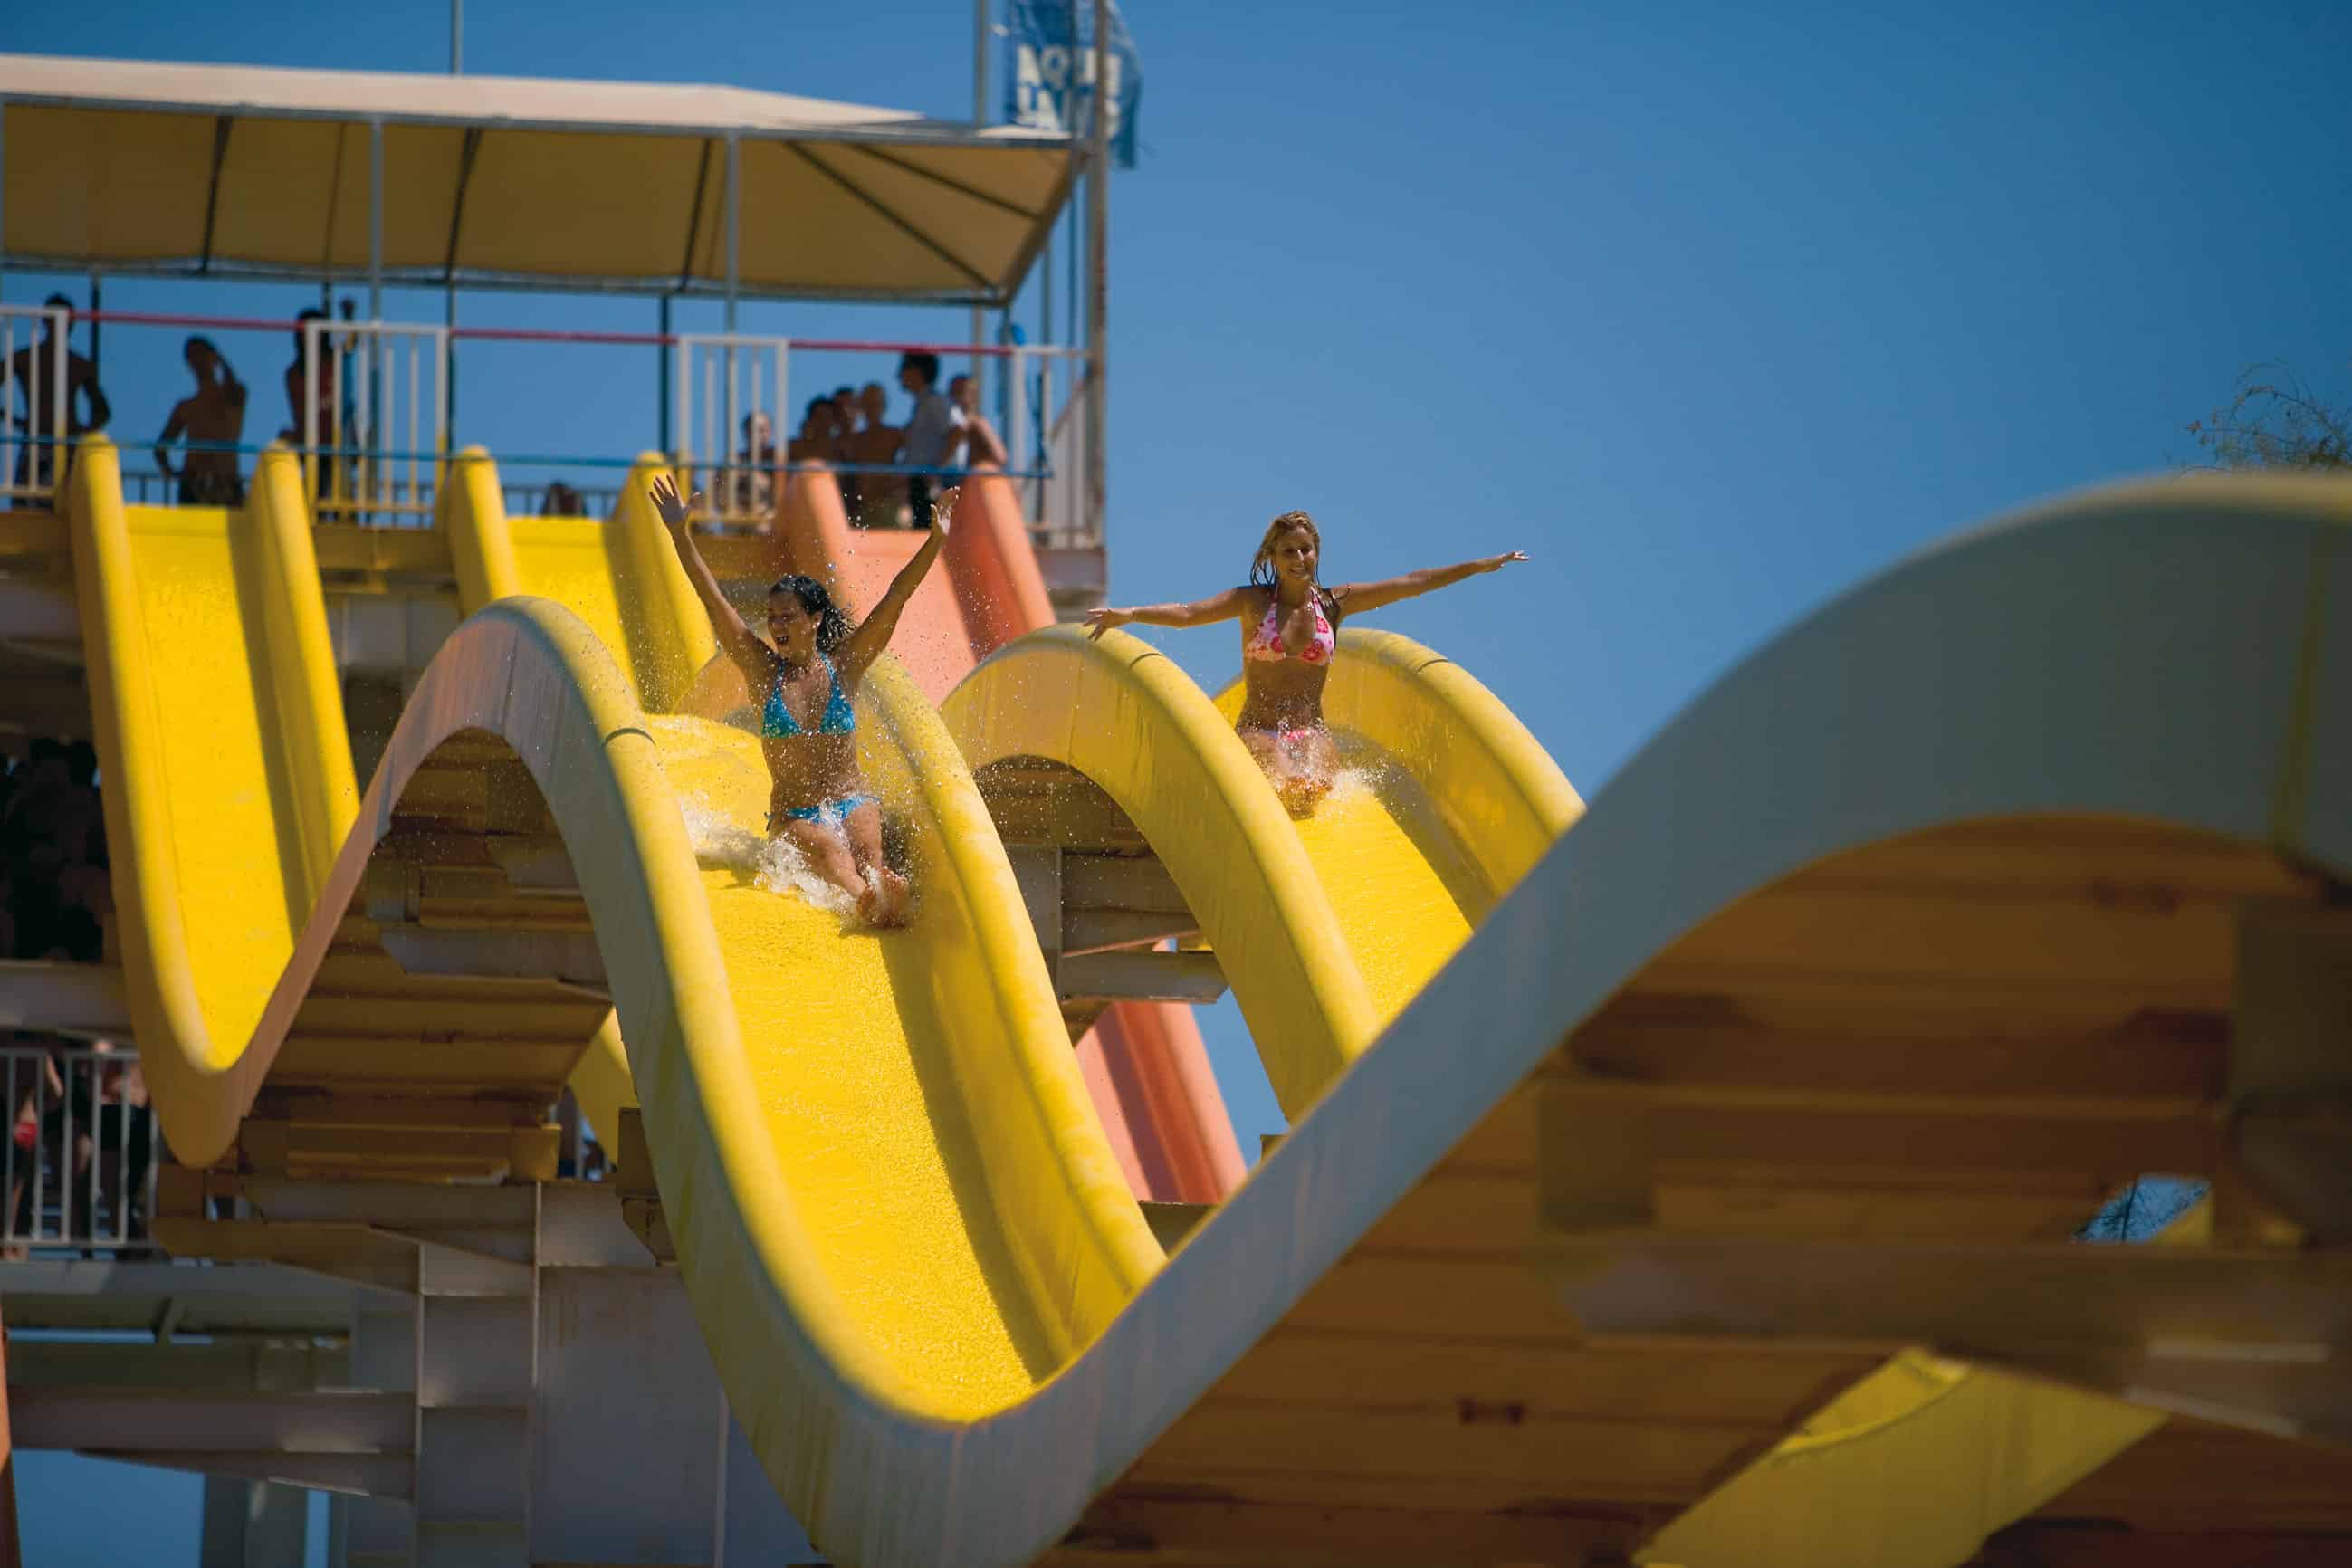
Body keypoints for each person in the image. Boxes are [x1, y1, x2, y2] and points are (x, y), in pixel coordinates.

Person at [650, 472, 956, 927]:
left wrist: (934, 542)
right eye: (772, 617)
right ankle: (866, 898)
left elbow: (896, 597)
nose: (776, 625)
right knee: (832, 850)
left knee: (865, 831)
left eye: (787, 616)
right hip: (795, 816)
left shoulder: (845, 666)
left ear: (813, 619)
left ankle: (879, 880)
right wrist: (680, 533)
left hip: (850, 800)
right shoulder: (761, 671)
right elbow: (713, 600)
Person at [1085, 512, 1529, 816]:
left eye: (1305, 550)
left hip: (1311, 729)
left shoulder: (1335, 605)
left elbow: (1411, 583)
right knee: (1283, 777)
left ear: (1317, 552)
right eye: (1288, 552)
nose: (1299, 560)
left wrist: (1478, 566)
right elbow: (1187, 614)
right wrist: (1131, 614)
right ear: (1273, 559)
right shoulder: (1252, 603)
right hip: (1258, 730)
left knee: (1315, 784)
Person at [7, 293, 112, 498]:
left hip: (64, 443)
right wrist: (13, 419)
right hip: (38, 441)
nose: (66, 324)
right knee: (32, 509)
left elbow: (103, 412)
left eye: (69, 319)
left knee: (63, 505)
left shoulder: (79, 364)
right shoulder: (25, 358)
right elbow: (103, 412)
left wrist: (82, 431)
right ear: (46, 320)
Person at [154, 336, 249, 506]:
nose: (198, 362)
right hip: (194, 484)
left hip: (226, 481)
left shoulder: (235, 394)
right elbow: (160, 447)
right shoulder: (186, 406)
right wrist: (172, 472)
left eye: (201, 355)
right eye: (192, 357)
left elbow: (234, 391)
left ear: (213, 356)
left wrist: (221, 360)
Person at [895, 352, 961, 531]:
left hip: (929, 483)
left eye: (903, 369)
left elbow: (957, 431)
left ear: (916, 372)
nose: (898, 375)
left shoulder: (935, 402)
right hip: (920, 481)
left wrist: (937, 470)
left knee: (928, 534)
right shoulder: (923, 404)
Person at [849, 381, 904, 527]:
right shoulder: (854, 440)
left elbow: (911, 462)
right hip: (863, 507)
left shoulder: (895, 434)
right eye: (867, 404)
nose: (871, 409)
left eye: (875, 404)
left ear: (883, 406)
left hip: (888, 505)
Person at [946, 374, 1009, 470]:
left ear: (973, 395)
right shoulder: (951, 421)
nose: (953, 397)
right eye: (952, 392)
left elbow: (1001, 456)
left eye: (959, 392)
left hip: (973, 478)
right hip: (959, 477)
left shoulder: (977, 423)